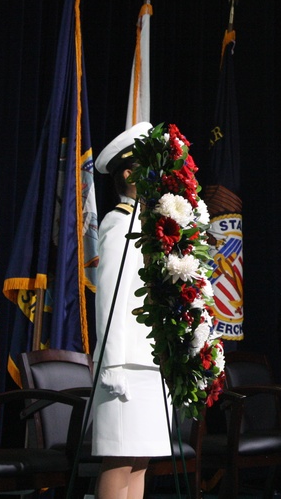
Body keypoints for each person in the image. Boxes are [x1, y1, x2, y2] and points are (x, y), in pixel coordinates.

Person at [92, 122, 172, 499]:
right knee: (118, 462)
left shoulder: (149, 227)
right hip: (124, 365)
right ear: (129, 173)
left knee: (140, 461)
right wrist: (110, 364)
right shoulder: (117, 224)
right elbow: (109, 297)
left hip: (149, 363)